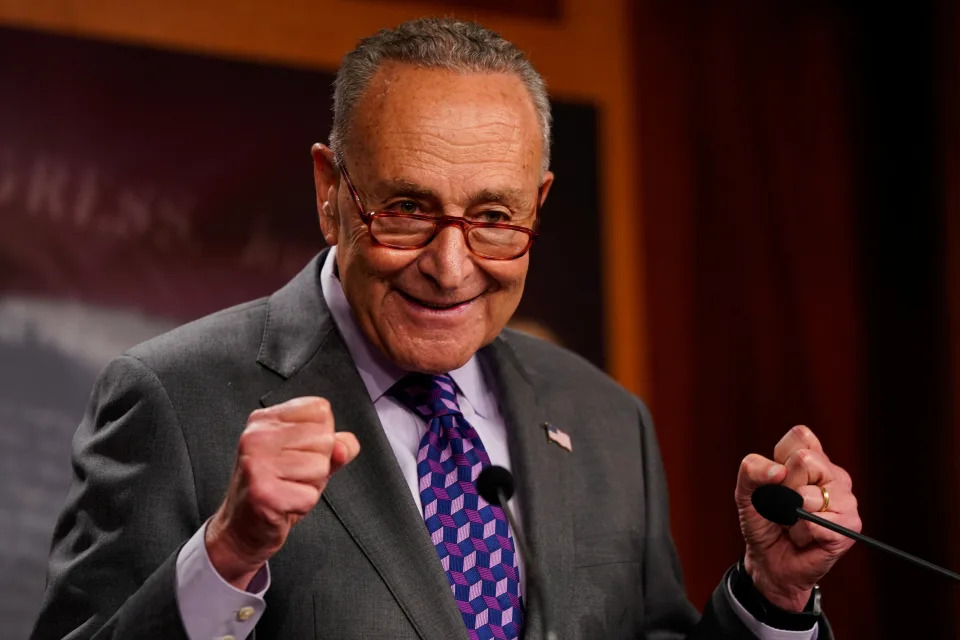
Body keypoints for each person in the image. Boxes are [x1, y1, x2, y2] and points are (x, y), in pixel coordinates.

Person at [31, 17, 861, 640]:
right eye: (406, 210)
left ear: (538, 202)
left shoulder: (605, 419)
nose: (452, 267)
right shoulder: (174, 399)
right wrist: (225, 555)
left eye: (495, 217)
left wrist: (770, 595)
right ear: (330, 190)